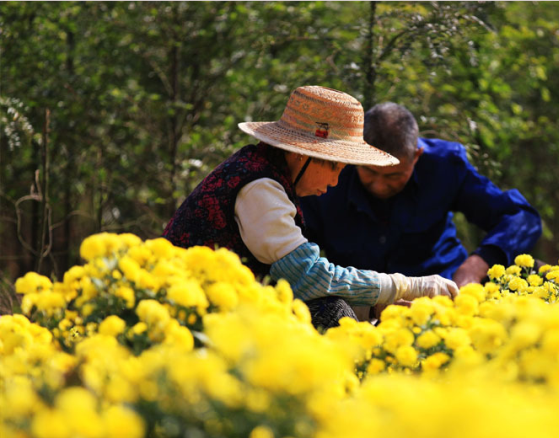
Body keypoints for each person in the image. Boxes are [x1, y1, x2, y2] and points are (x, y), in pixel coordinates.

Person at [163, 87, 458, 330]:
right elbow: (309, 277)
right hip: (185, 316)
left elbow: (288, 282)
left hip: (214, 309)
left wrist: (374, 304)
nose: (334, 181)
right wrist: (405, 286)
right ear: (304, 155)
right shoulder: (260, 187)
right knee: (330, 312)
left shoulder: (262, 174)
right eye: (335, 166)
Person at [299, 102, 542, 288]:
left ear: (417, 156)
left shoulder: (445, 166)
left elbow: (521, 217)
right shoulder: (327, 177)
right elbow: (291, 248)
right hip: (359, 305)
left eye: (394, 176)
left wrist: (478, 264)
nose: (380, 185)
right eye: (370, 172)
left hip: (447, 295)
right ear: (356, 156)